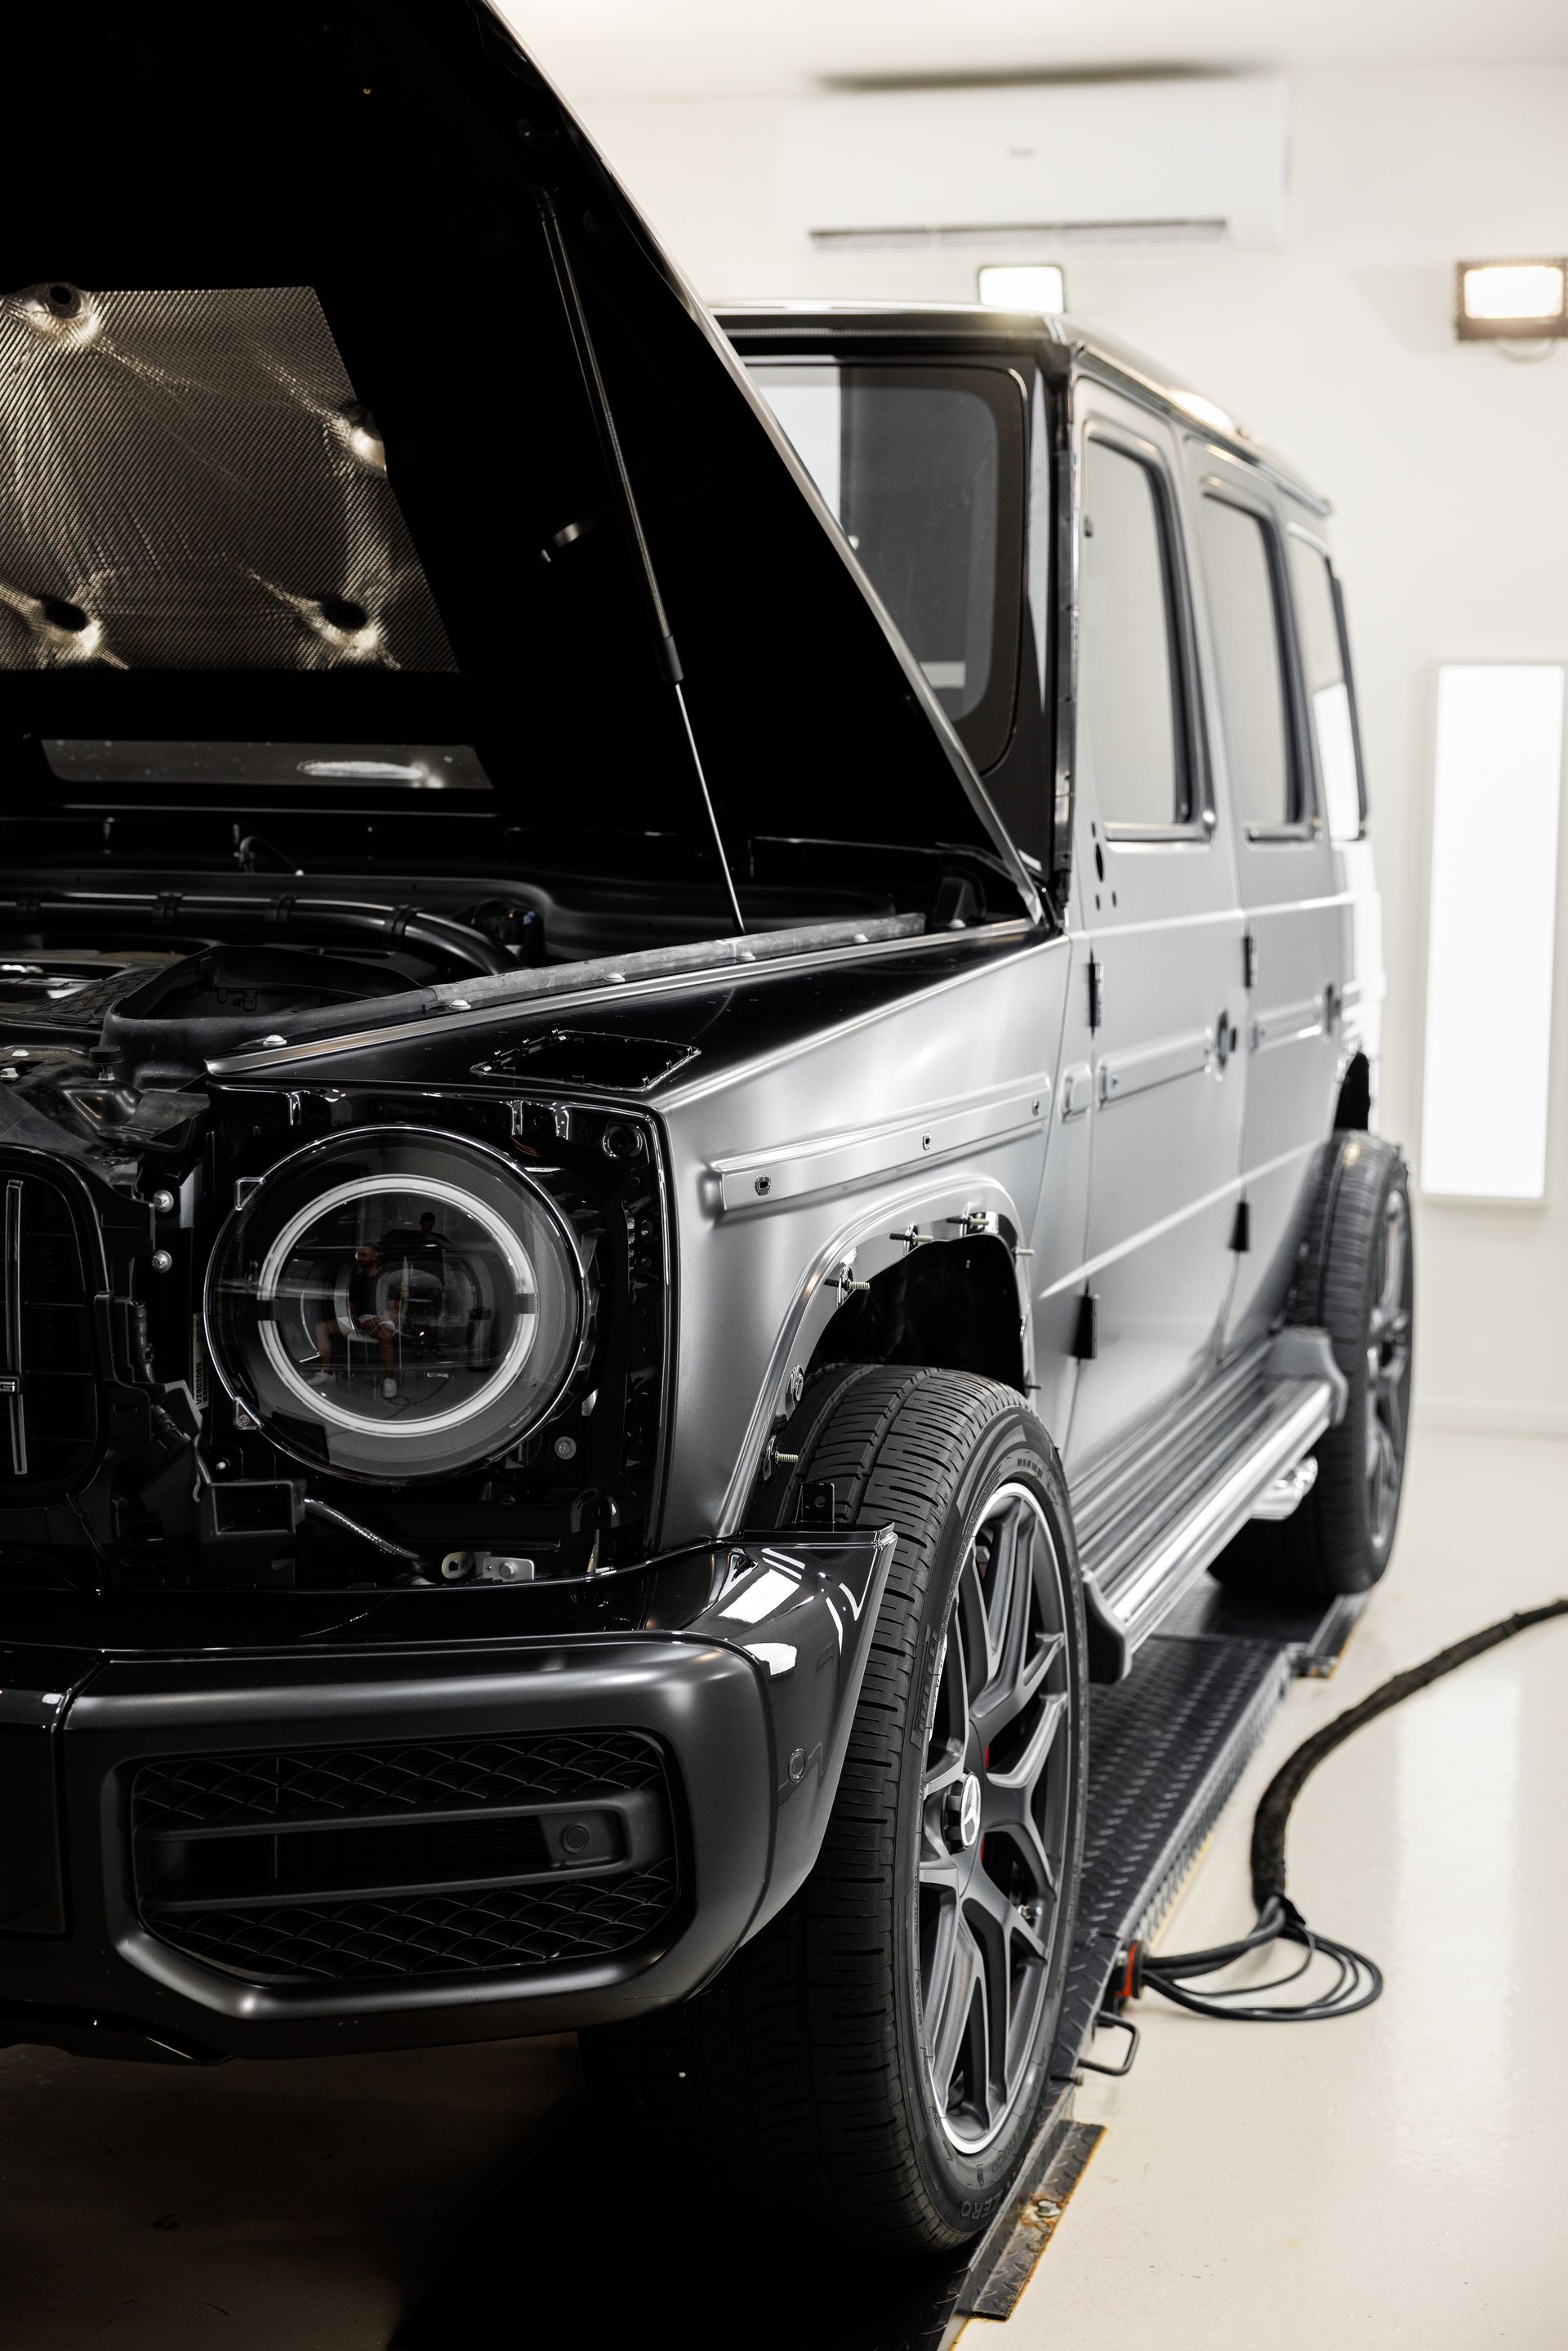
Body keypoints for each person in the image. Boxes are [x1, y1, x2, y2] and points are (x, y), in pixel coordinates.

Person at [313, 1241, 400, 1400]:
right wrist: (356, 1322)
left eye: (363, 1255)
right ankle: (328, 1373)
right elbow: (351, 1307)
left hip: (381, 1319)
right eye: (359, 1255)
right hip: (360, 1320)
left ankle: (389, 1379)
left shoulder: (387, 1279)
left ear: (375, 1257)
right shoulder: (358, 1280)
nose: (360, 1258)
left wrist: (373, 1322)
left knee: (384, 1335)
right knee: (321, 1328)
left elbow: (393, 1310)